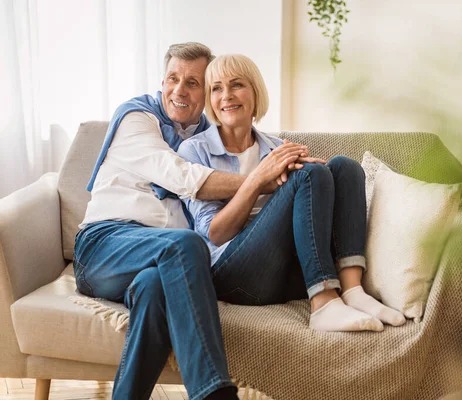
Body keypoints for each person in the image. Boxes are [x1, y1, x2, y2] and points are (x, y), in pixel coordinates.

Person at [74, 43, 309, 400]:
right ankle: (212, 392)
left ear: (207, 92)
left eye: (194, 82)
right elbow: (182, 176)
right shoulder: (138, 118)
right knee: (186, 245)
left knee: (155, 287)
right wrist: (261, 178)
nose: (179, 90)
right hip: (105, 245)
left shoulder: (204, 139)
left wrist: (291, 179)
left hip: (156, 260)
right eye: (172, 79)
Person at [178, 54, 407, 332]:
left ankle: (352, 290)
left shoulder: (276, 147)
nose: (226, 95)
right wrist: (259, 179)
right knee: (310, 175)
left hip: (285, 274)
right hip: (233, 276)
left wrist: (318, 181)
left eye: (236, 85)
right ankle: (323, 305)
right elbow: (215, 233)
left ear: (255, 92)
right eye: (216, 88)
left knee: (344, 167)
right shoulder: (194, 151)